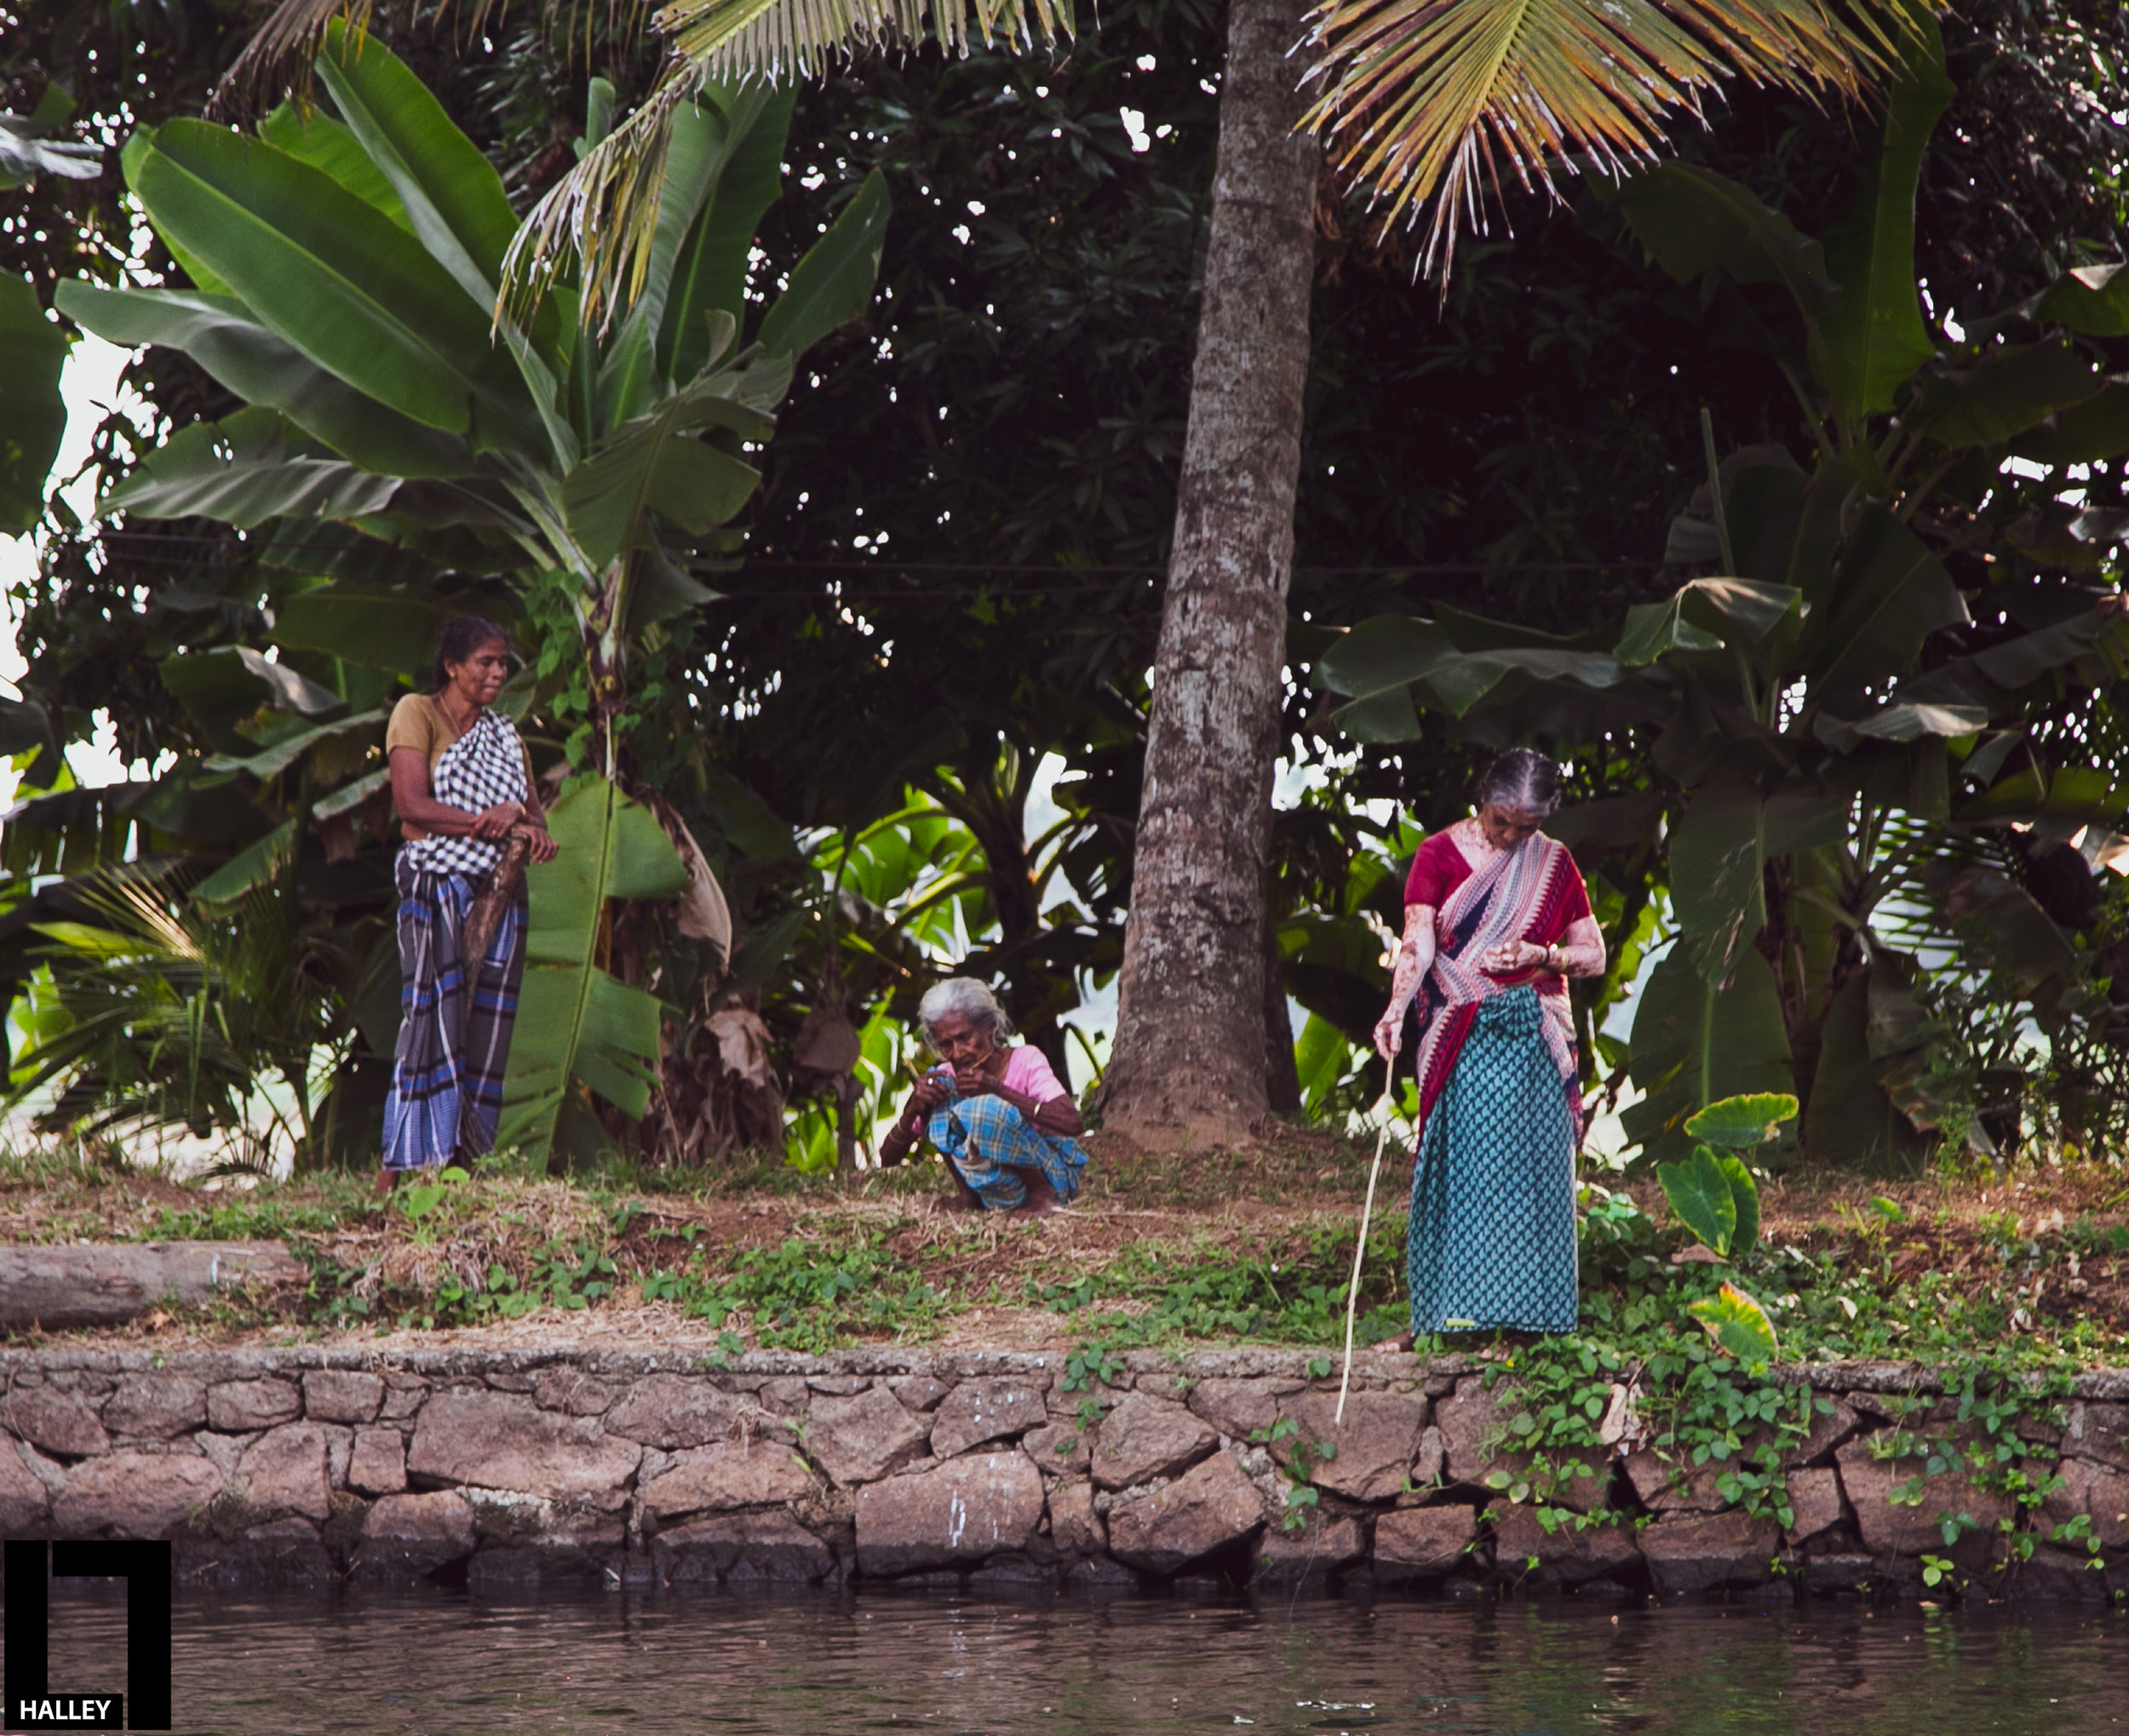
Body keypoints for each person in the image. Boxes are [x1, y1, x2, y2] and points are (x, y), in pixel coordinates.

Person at [1370, 748, 1606, 1341]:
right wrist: (1397, 1008)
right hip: (1462, 1032)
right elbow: (1418, 942)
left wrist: (1542, 956)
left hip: (1534, 1032)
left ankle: (1538, 1321)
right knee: (1467, 1173)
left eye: (1525, 827)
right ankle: (1452, 1317)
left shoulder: (1554, 863)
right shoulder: (1438, 854)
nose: (1509, 836)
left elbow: (1593, 954)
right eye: (1501, 821)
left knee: (1534, 1175)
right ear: (1482, 799)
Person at [376, 617, 558, 1190]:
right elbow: (412, 806)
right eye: (486, 661)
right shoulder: (417, 713)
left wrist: (531, 830)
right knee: (428, 1021)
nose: (499, 672)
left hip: (498, 896)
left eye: (503, 663)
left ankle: (462, 1168)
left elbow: (533, 818)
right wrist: (488, 823)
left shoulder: (505, 735)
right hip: (435, 886)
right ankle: (395, 1167)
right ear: (453, 666)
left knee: (484, 1031)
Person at [879, 979, 1088, 1212]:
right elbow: (887, 1160)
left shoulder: (1025, 1060)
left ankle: (1042, 1194)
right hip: (994, 1190)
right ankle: (968, 1197)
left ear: (989, 1027)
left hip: (1052, 1177)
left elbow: (1072, 1123)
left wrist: (999, 1091)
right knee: (939, 1095)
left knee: (984, 1109)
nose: (957, 1053)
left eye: (964, 1038)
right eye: (946, 1045)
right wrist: (914, 1108)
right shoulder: (945, 1076)